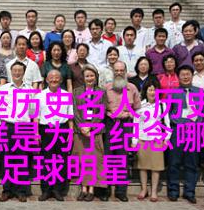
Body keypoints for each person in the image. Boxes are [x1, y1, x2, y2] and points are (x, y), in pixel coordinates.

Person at [0, 61, 37, 202]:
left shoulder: (30, 90)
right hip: (7, 126)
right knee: (7, 159)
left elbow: (33, 112)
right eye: (14, 70)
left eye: (20, 70)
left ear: (24, 72)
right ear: (11, 72)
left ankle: (21, 191)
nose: (17, 73)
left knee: (22, 160)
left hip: (24, 128)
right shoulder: (3, 89)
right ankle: (7, 190)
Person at [103, 61, 141, 201]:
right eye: (116, 70)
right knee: (108, 157)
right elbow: (100, 108)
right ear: (113, 72)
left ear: (125, 72)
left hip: (126, 125)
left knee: (122, 158)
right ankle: (105, 189)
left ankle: (121, 191)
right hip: (110, 124)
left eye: (121, 70)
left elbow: (138, 109)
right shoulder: (106, 88)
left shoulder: (132, 88)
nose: (119, 73)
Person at [167, 64, 204, 203]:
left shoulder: (200, 92)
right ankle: (173, 191)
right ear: (178, 77)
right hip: (178, 130)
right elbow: (167, 112)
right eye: (182, 74)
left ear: (192, 76)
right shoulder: (173, 93)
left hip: (194, 130)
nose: (185, 77)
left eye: (188, 74)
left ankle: (190, 192)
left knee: (192, 163)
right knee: (174, 162)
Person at [36, 70, 74, 201]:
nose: (54, 80)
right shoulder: (40, 96)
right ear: (46, 80)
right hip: (46, 130)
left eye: (56, 78)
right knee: (46, 160)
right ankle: (46, 190)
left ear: (61, 80)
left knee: (61, 160)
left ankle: (58, 190)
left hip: (62, 129)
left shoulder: (66, 95)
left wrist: (71, 132)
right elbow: (36, 117)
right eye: (51, 78)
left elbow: (70, 116)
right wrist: (36, 132)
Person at [73, 66, 107, 201]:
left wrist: (91, 127)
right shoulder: (76, 91)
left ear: (96, 77)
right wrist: (82, 127)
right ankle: (83, 188)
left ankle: (91, 189)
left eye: (92, 76)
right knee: (82, 160)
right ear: (83, 77)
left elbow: (102, 112)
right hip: (80, 131)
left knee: (94, 160)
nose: (89, 78)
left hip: (95, 130)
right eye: (87, 76)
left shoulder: (101, 92)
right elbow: (75, 111)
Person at [133, 81, 171, 202]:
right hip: (142, 139)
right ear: (146, 91)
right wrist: (134, 140)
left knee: (156, 167)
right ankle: (144, 189)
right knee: (142, 166)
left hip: (157, 139)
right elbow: (136, 123)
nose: (152, 92)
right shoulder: (140, 105)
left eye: (155, 90)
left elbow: (167, 124)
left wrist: (167, 139)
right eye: (150, 90)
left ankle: (154, 191)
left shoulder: (162, 105)